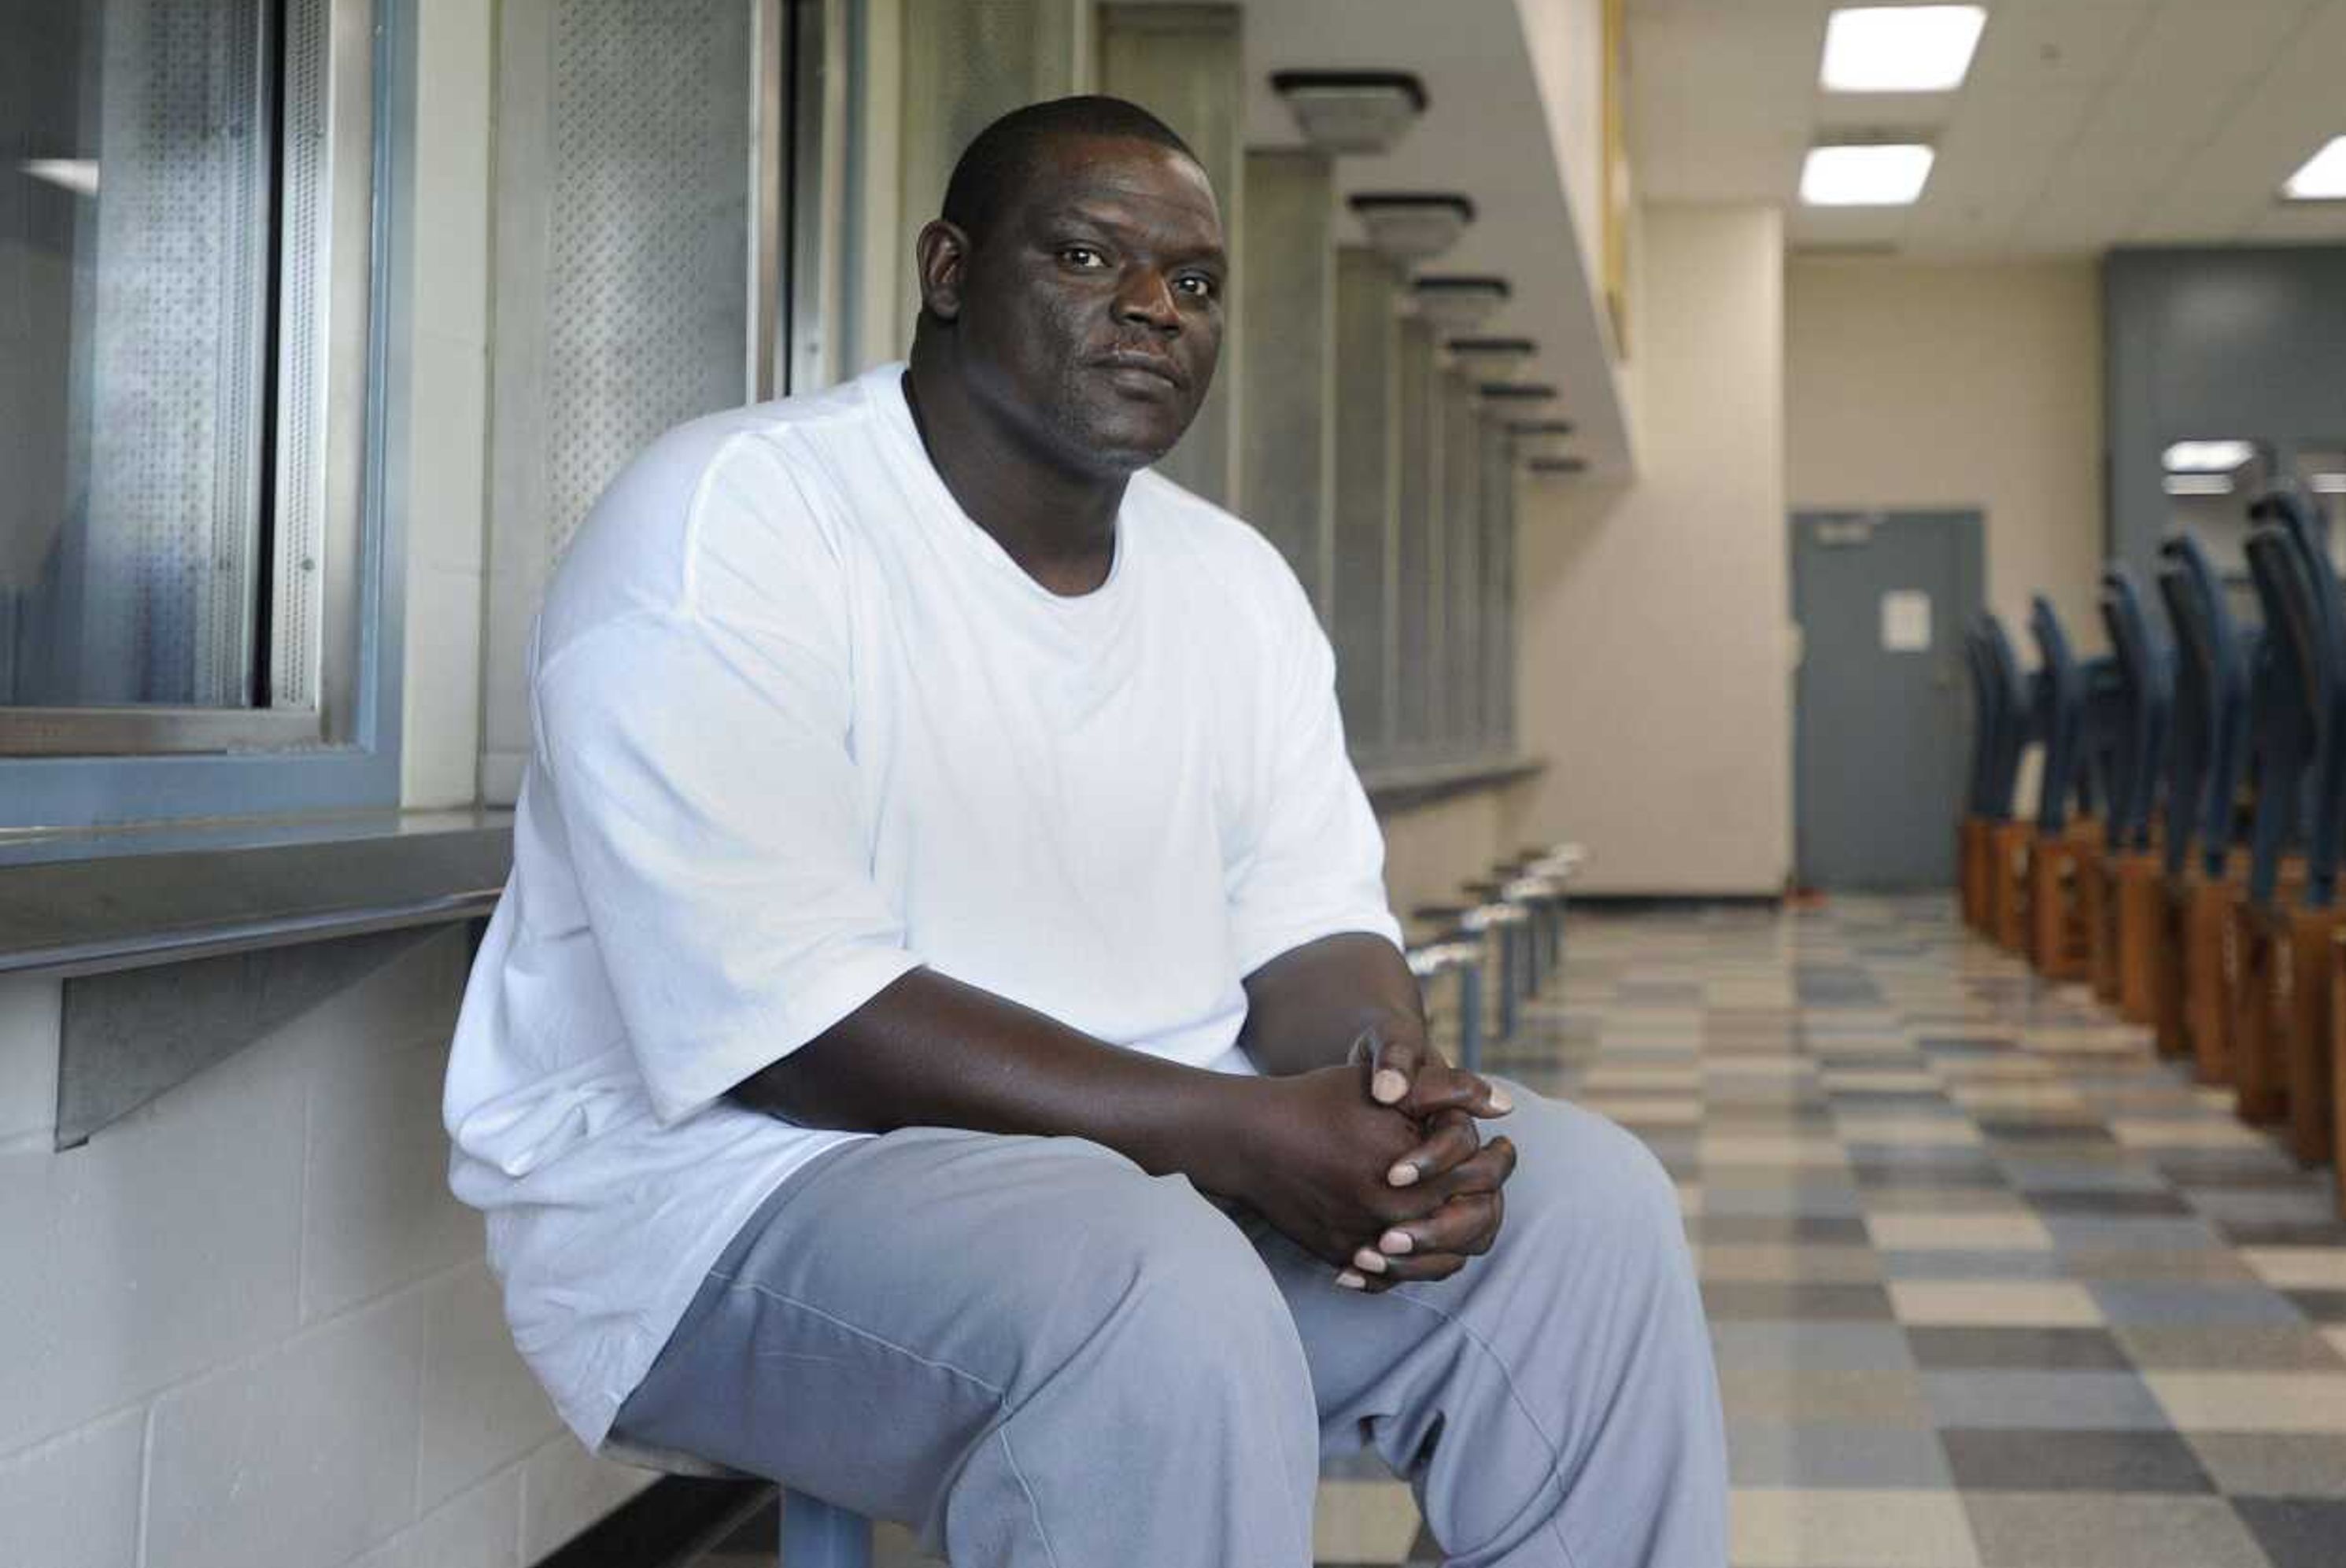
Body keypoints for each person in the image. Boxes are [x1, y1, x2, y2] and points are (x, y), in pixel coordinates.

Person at [441, 96, 1727, 1566]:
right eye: (1084, 256)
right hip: (730, 1205)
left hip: (1161, 1183)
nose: (1151, 310)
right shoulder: (736, 519)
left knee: (1591, 1217)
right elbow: (798, 1035)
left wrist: (1390, 1103)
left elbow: (1313, 928)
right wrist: (1241, 1135)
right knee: (1149, 1283)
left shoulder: (1232, 583)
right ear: (947, 271)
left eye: (1193, 282)